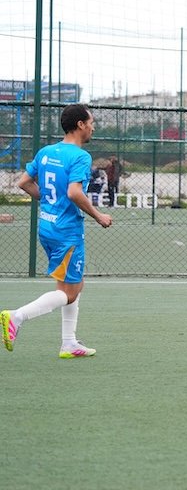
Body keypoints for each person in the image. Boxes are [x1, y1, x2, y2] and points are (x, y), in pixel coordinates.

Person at [2, 104, 113, 358]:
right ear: (81, 125)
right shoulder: (80, 157)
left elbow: (24, 182)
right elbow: (74, 192)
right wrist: (99, 216)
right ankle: (16, 316)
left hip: (47, 227)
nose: (93, 127)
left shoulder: (46, 152)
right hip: (67, 231)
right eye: (91, 122)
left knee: (73, 284)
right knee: (70, 293)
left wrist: (48, 201)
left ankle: (69, 343)